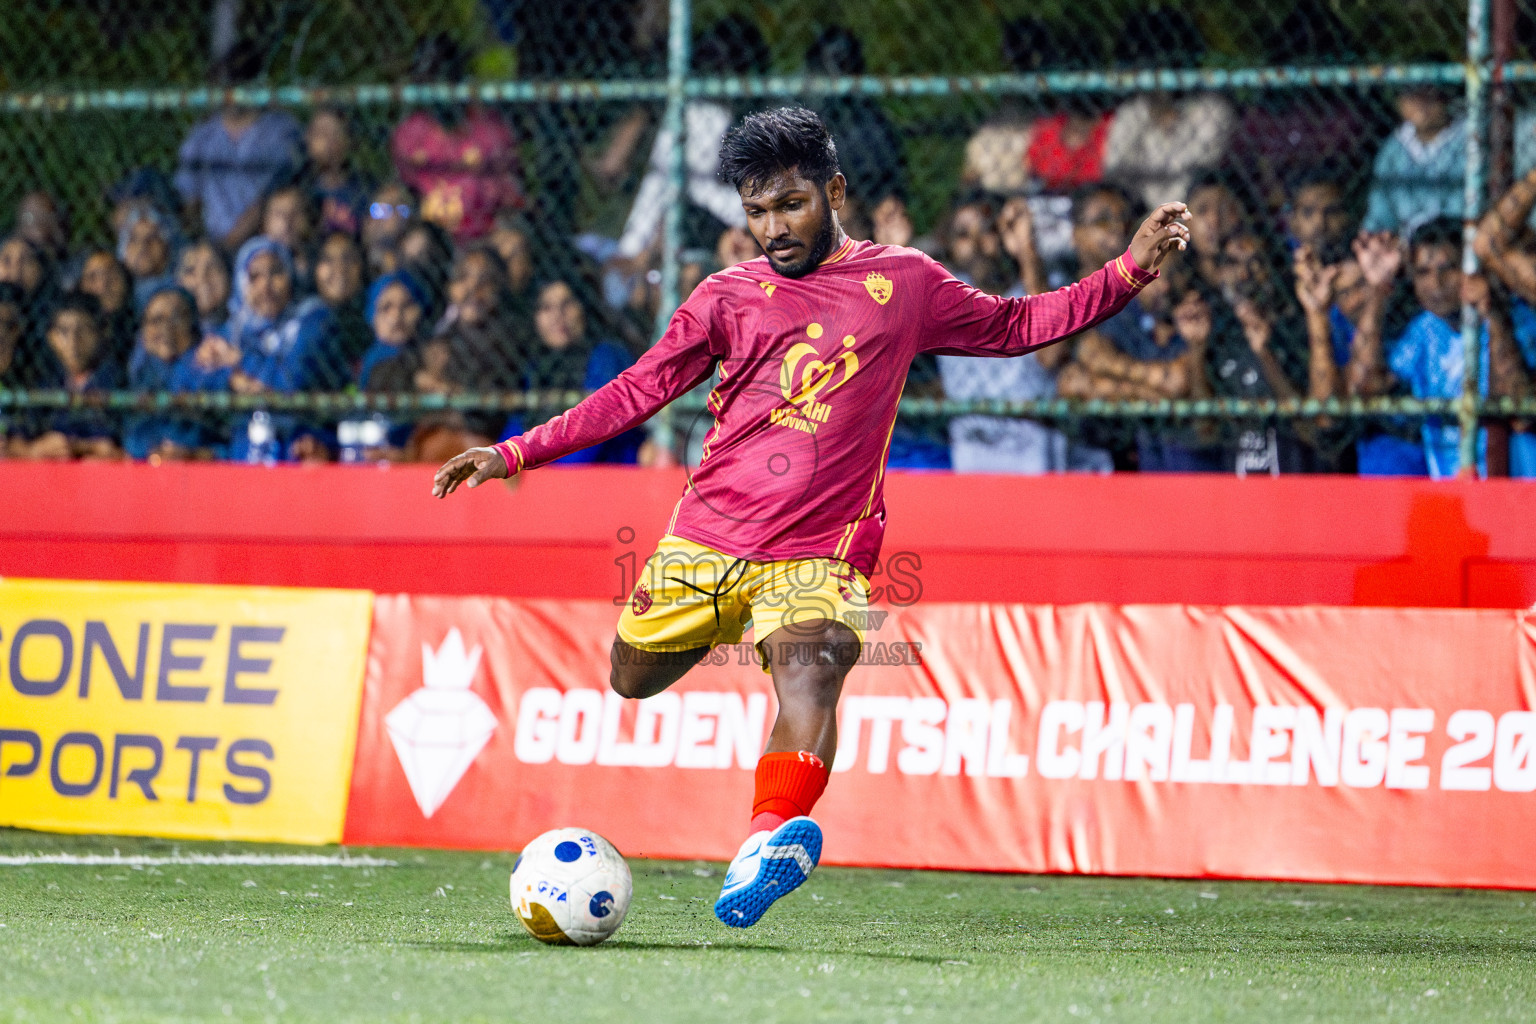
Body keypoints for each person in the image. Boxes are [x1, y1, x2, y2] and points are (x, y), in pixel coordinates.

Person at [431, 107, 1189, 928]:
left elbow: (1013, 327)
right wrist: (515, 452)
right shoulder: (724, 296)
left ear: (833, 190)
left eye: (789, 205)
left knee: (814, 664)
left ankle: (766, 842)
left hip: (819, 551)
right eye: (756, 212)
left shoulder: (903, 284)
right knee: (630, 676)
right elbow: (637, 390)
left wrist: (1126, 272)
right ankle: (742, 635)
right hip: (707, 537)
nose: (773, 228)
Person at [1353, 217, 1533, 477]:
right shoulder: (1424, 330)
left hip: (1517, 486)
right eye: (1423, 272)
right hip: (1452, 491)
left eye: (1448, 269)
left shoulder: (1519, 320)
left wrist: (1492, 315)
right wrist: (1378, 290)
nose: (1436, 284)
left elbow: (1521, 410)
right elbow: (1366, 388)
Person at [173, 39, 304, 253]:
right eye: (223, 84)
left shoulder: (280, 130)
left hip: (269, 241)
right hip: (213, 243)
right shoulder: (203, 136)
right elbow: (188, 200)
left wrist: (235, 239)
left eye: (237, 82)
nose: (230, 93)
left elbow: (278, 191)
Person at [391, 34, 523, 242]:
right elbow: (401, 192)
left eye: (445, 76)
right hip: (430, 234)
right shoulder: (410, 134)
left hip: (484, 235)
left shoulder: (490, 130)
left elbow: (510, 195)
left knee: (510, 241)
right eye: (429, 78)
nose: (437, 86)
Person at [1362, 86, 1466, 236]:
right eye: (1409, 95)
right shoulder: (1393, 150)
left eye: (1428, 95)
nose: (1419, 103)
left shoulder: (1468, 138)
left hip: (1453, 240)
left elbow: (1460, 210)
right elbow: (1379, 214)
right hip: (1404, 245)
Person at [31, 292, 124, 460]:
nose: (74, 340)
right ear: (51, 337)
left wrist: (80, 447)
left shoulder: (118, 380)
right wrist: (35, 449)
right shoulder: (44, 383)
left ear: (101, 333)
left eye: (84, 329)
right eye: (64, 331)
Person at [124, 285, 212, 460]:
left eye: (177, 317)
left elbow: (226, 441)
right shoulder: (133, 377)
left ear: (193, 325)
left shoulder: (213, 374)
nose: (167, 328)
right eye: (156, 320)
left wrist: (194, 455)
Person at [304, 108, 371, 237]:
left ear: (348, 140)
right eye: (321, 133)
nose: (327, 142)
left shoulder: (366, 187)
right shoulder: (300, 187)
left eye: (335, 134)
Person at [313, 231, 369, 376]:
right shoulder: (300, 323)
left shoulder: (376, 319)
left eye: (348, 259)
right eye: (328, 260)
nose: (339, 268)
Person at [119, 205, 180, 310]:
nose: (143, 246)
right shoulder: (119, 298)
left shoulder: (184, 284)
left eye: (152, 237)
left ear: (166, 245)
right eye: (134, 239)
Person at [176, 239, 233, 336]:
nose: (202, 278)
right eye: (190, 270)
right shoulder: (168, 339)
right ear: (178, 282)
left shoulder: (249, 330)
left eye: (211, 267)